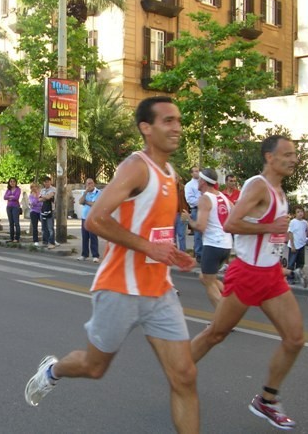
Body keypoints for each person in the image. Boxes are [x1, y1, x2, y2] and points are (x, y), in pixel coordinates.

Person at [24, 97, 198, 433]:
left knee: (185, 377)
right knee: (94, 366)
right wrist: (150, 247)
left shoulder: (169, 172)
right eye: (167, 121)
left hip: (160, 290)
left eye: (178, 120)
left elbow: (151, 230)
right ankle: (52, 371)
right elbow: (96, 220)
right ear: (146, 129)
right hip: (120, 287)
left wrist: (171, 252)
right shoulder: (135, 167)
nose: (176, 127)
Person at [190, 135, 305, 430]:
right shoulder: (258, 185)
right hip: (248, 272)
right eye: (287, 154)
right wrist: (271, 227)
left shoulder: (279, 190)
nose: (293, 159)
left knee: (294, 339)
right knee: (216, 334)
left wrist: (278, 240)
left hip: (271, 275)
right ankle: (178, 369)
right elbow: (232, 225)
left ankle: (267, 400)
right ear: (269, 156)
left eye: (294, 154)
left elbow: (270, 234)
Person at [182, 168, 233, 309]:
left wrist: (188, 220)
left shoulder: (205, 198)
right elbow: (235, 215)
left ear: (203, 181)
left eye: (199, 179)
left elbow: (200, 226)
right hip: (226, 245)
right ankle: (230, 300)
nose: (197, 181)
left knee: (209, 282)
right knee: (204, 277)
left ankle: (224, 320)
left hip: (213, 246)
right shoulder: (223, 197)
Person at [77, 177, 101, 263]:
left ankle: (95, 255)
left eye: (91, 183)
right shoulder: (85, 193)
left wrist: (86, 202)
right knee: (85, 237)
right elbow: (80, 201)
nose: (89, 185)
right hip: (84, 218)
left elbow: (94, 204)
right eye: (87, 184)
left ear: (94, 184)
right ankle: (84, 254)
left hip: (93, 218)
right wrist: (85, 193)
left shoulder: (98, 193)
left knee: (93, 237)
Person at [286, 206, 308, 286]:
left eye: (301, 211)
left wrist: (306, 240)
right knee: (291, 262)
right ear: (295, 214)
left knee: (300, 262)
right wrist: (292, 245)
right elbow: (290, 233)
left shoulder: (305, 222)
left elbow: (306, 231)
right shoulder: (293, 222)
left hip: (301, 245)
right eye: (298, 212)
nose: (300, 213)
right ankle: (290, 278)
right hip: (294, 245)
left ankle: (297, 276)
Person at [184, 166, 203, 262]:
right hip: (196, 209)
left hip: (205, 210)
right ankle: (199, 254)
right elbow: (190, 200)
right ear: (191, 173)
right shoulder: (189, 185)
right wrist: (202, 201)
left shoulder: (203, 183)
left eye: (198, 171)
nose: (197, 172)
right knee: (198, 233)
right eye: (195, 171)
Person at [39, 176, 58, 249]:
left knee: (50, 227)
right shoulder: (42, 190)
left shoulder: (53, 189)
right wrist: (45, 197)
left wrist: (43, 196)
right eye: (45, 182)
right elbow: (39, 199)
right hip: (43, 210)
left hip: (51, 210)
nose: (46, 183)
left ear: (50, 182)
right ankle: (45, 241)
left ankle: (51, 242)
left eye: (48, 181)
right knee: (44, 228)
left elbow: (48, 197)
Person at [4, 177, 22, 243]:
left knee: (16, 223)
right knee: (11, 223)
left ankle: (17, 238)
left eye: (14, 181)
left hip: (15, 207)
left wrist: (9, 197)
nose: (12, 183)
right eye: (11, 181)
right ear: (9, 183)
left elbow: (16, 197)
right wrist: (11, 197)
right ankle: (11, 238)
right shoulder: (8, 190)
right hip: (9, 207)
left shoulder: (18, 189)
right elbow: (4, 197)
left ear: (16, 182)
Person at [174, 174, 188, 252]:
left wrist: (185, 212)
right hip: (171, 214)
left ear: (179, 178)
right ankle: (174, 253)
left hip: (180, 213)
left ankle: (182, 252)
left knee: (181, 235)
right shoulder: (169, 188)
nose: (174, 179)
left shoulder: (183, 188)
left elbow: (187, 202)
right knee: (172, 235)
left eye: (176, 177)